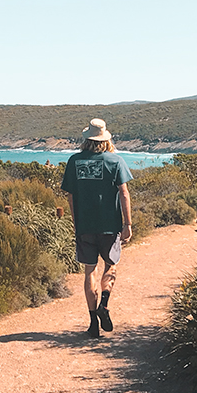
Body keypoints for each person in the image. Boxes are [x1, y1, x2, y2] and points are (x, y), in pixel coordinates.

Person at [61, 119, 132, 338]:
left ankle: (93, 322)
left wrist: (77, 223)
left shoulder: (74, 161)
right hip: (110, 227)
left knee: (89, 271)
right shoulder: (115, 161)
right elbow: (124, 193)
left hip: (85, 226)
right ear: (106, 139)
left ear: (87, 139)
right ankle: (104, 303)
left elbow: (71, 197)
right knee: (111, 266)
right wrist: (127, 224)